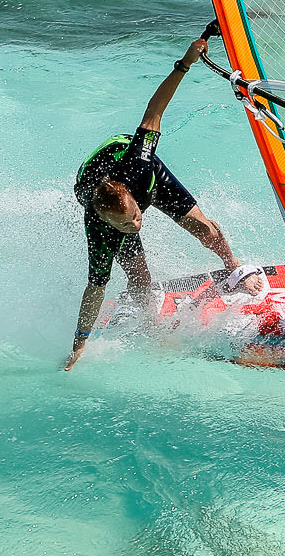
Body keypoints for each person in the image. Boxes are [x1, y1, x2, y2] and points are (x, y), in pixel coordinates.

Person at [64, 23, 265, 369]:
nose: (137, 225)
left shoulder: (140, 165)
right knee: (138, 275)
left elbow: (155, 110)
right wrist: (79, 344)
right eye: (128, 225)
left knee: (206, 231)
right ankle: (151, 325)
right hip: (98, 185)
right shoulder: (100, 229)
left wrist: (185, 62)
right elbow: (94, 292)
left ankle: (232, 266)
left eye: (136, 217)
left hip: (139, 174)